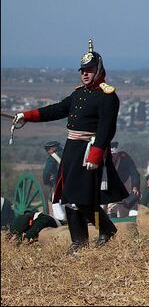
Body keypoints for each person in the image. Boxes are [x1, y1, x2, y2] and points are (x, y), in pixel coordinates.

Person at [12, 39, 128, 254]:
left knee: (82, 198)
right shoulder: (78, 94)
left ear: (99, 70)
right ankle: (79, 241)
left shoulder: (107, 96)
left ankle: (107, 230)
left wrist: (96, 154)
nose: (85, 74)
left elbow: (106, 128)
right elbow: (55, 110)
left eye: (89, 70)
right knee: (69, 197)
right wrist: (26, 116)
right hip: (72, 150)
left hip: (89, 151)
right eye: (82, 70)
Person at [107, 141, 141, 217]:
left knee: (123, 213)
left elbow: (134, 173)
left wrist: (135, 186)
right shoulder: (103, 158)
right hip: (106, 188)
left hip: (123, 187)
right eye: (111, 155)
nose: (112, 157)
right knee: (103, 209)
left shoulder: (125, 159)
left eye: (114, 155)